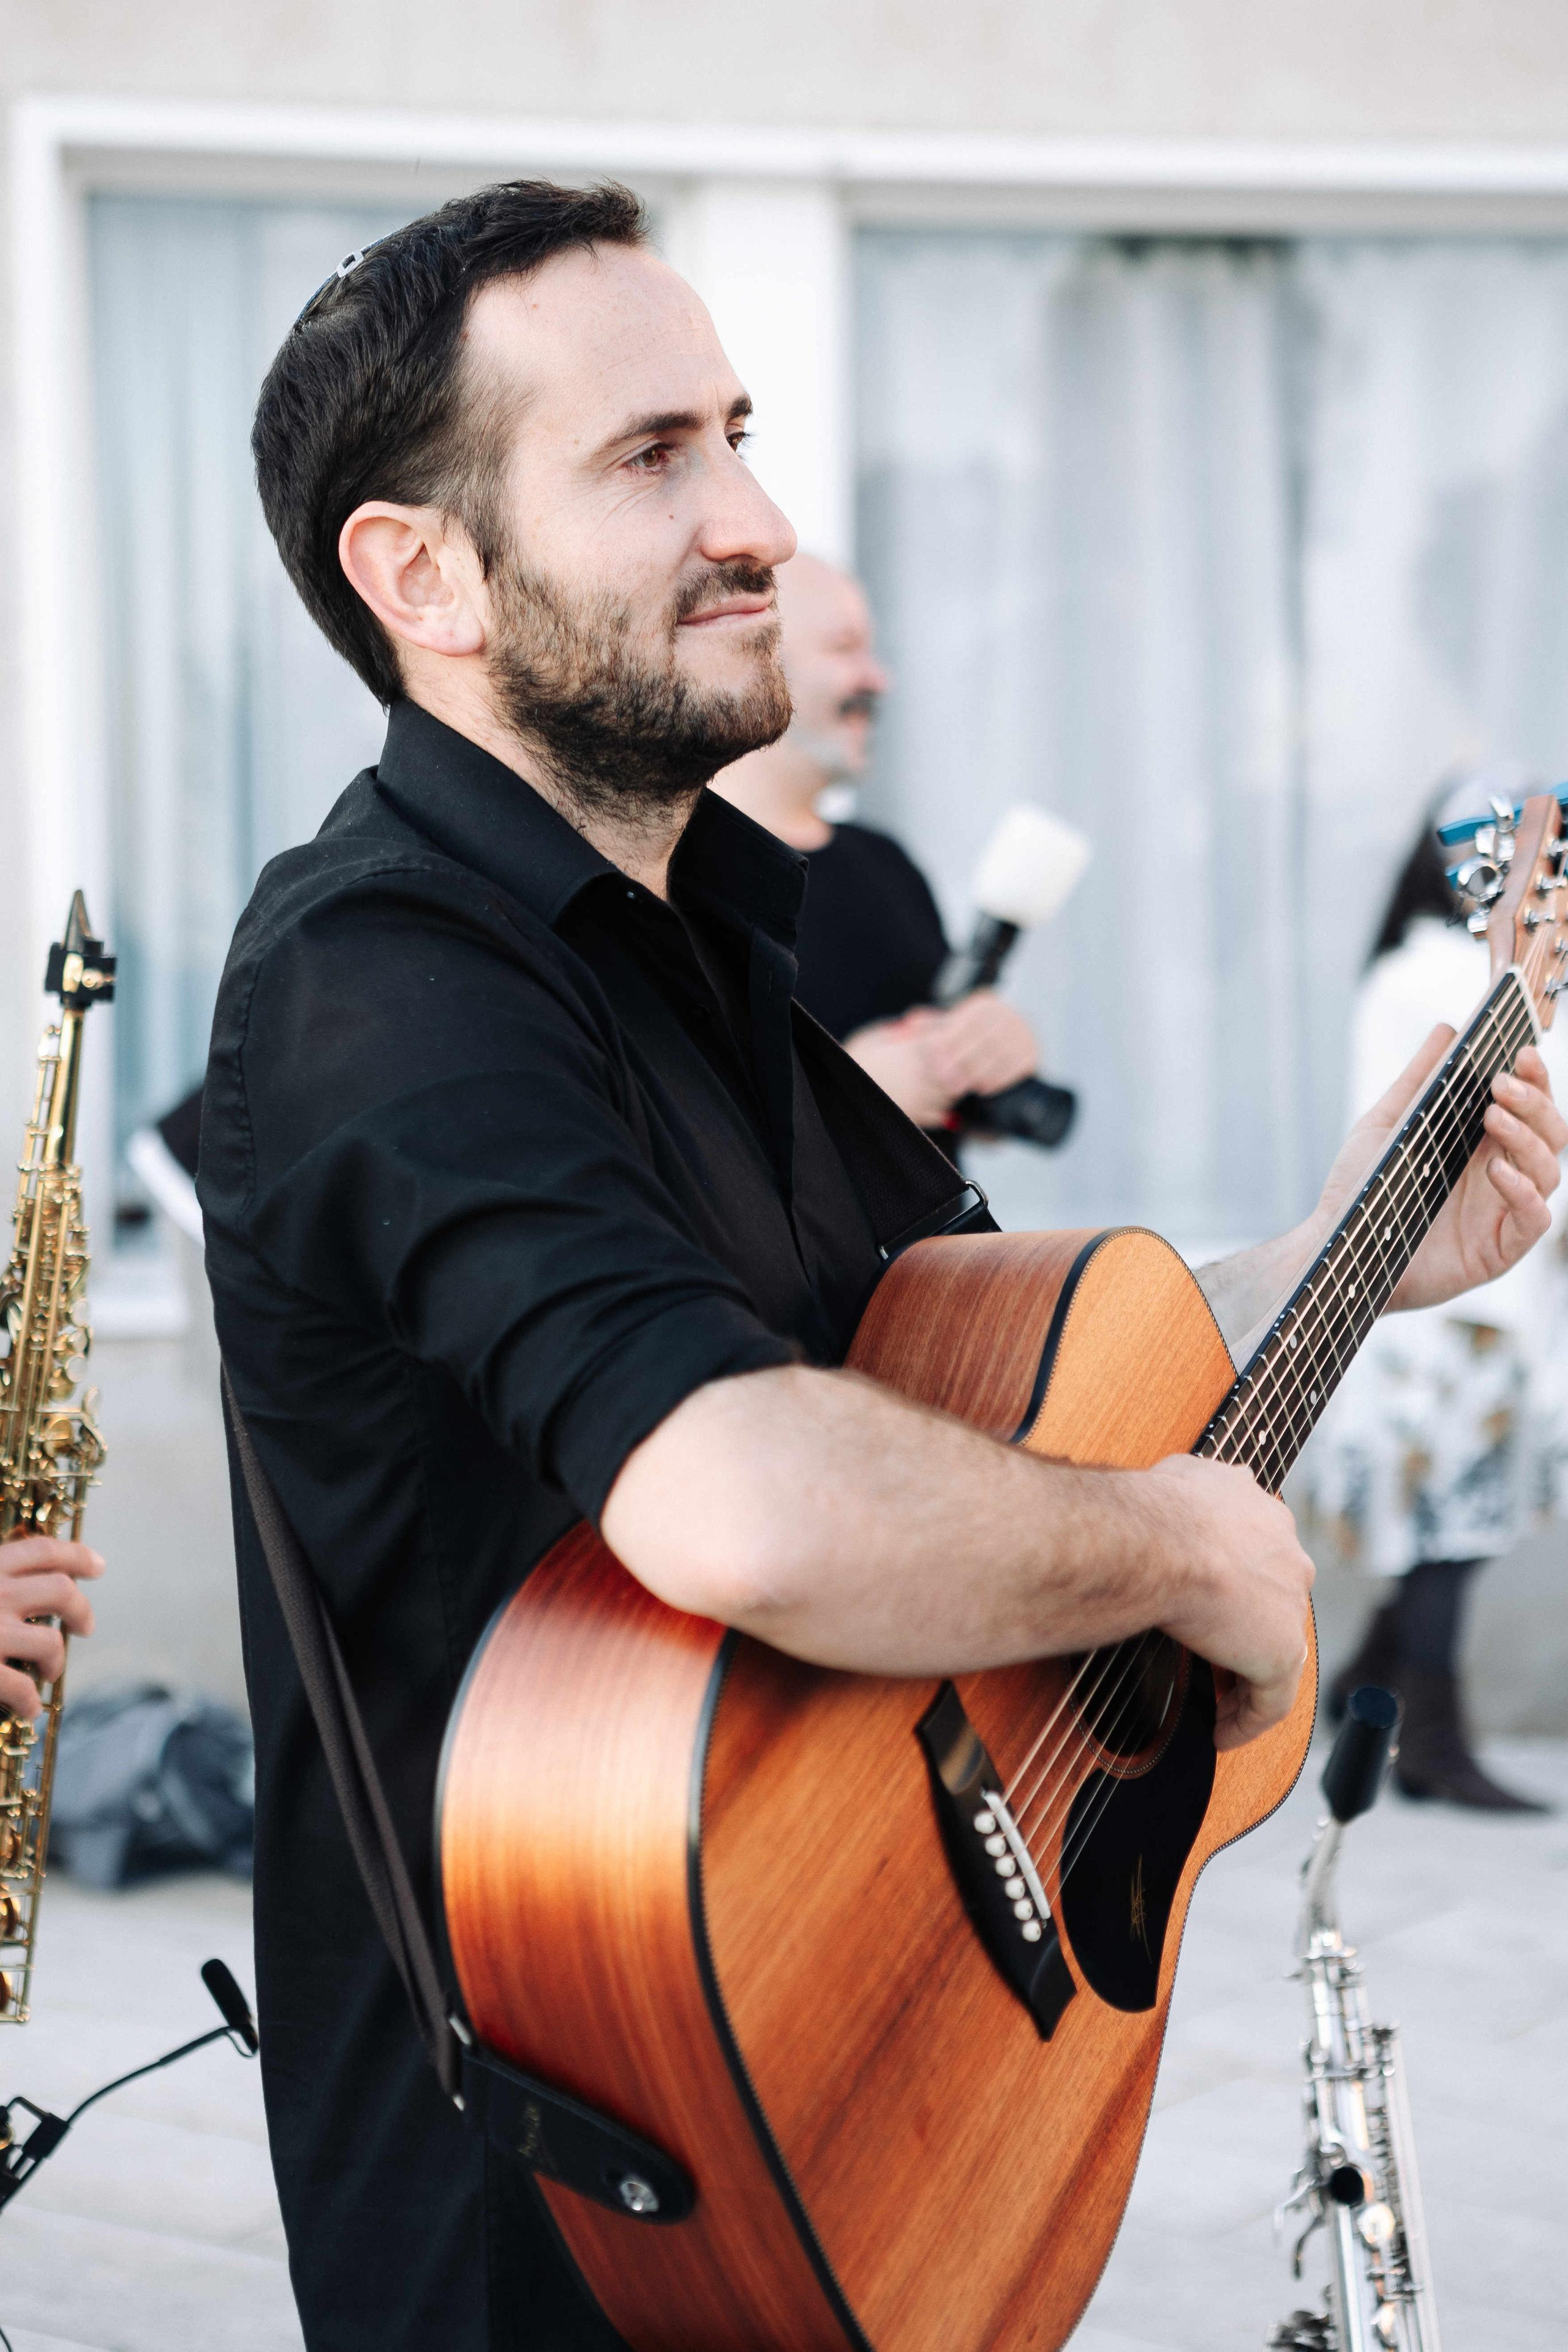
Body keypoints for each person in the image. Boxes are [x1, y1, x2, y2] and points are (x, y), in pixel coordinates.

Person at [200, 179, 1565, 2352]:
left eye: (736, 430)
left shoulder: (712, 950)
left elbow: (969, 1393)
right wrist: (1169, 1554)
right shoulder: (375, 975)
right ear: (422, 574)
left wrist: (1348, 1242)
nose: (752, 514)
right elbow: (746, 1496)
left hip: (861, 2091)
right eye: (652, 456)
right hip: (560, 2232)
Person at [1308, 778, 1568, 1810]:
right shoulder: (1432, 980)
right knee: (1451, 1527)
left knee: (1459, 1522)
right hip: (1445, 1300)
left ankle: (1368, 1689)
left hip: (1504, 1295)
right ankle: (1429, 1737)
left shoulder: (1500, 979)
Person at [713, 551, 1039, 1133]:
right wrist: (848, 1095)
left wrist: (991, 1052)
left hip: (949, 1226)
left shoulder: (885, 865)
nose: (878, 679)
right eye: (845, 648)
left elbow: (956, 1108)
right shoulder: (672, 874)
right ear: (751, 659)